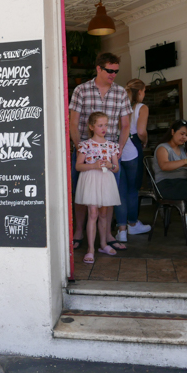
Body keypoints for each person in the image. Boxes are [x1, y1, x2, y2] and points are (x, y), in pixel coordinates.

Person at [69, 53, 132, 251]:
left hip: (109, 151)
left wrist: (119, 148)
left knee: (109, 194)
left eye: (116, 71)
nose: (113, 74)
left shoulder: (121, 92)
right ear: (98, 68)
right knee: (81, 191)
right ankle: (78, 231)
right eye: (110, 70)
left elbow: (125, 124)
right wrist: (80, 146)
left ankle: (106, 235)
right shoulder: (81, 90)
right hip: (85, 150)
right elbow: (73, 121)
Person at [75, 112, 122, 264]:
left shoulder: (111, 146)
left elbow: (116, 168)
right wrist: (93, 165)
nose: (104, 128)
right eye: (100, 125)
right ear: (91, 127)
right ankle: (90, 249)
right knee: (93, 213)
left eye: (106, 125)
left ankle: (103, 244)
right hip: (91, 180)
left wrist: (110, 165)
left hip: (105, 180)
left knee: (103, 213)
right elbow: (78, 166)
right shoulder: (85, 145)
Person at [115, 79, 152, 241]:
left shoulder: (119, 106)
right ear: (139, 92)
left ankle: (121, 231)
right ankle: (133, 224)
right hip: (133, 150)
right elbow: (142, 131)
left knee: (120, 192)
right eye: (144, 91)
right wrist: (145, 140)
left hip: (117, 150)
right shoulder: (141, 108)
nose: (144, 94)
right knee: (132, 190)